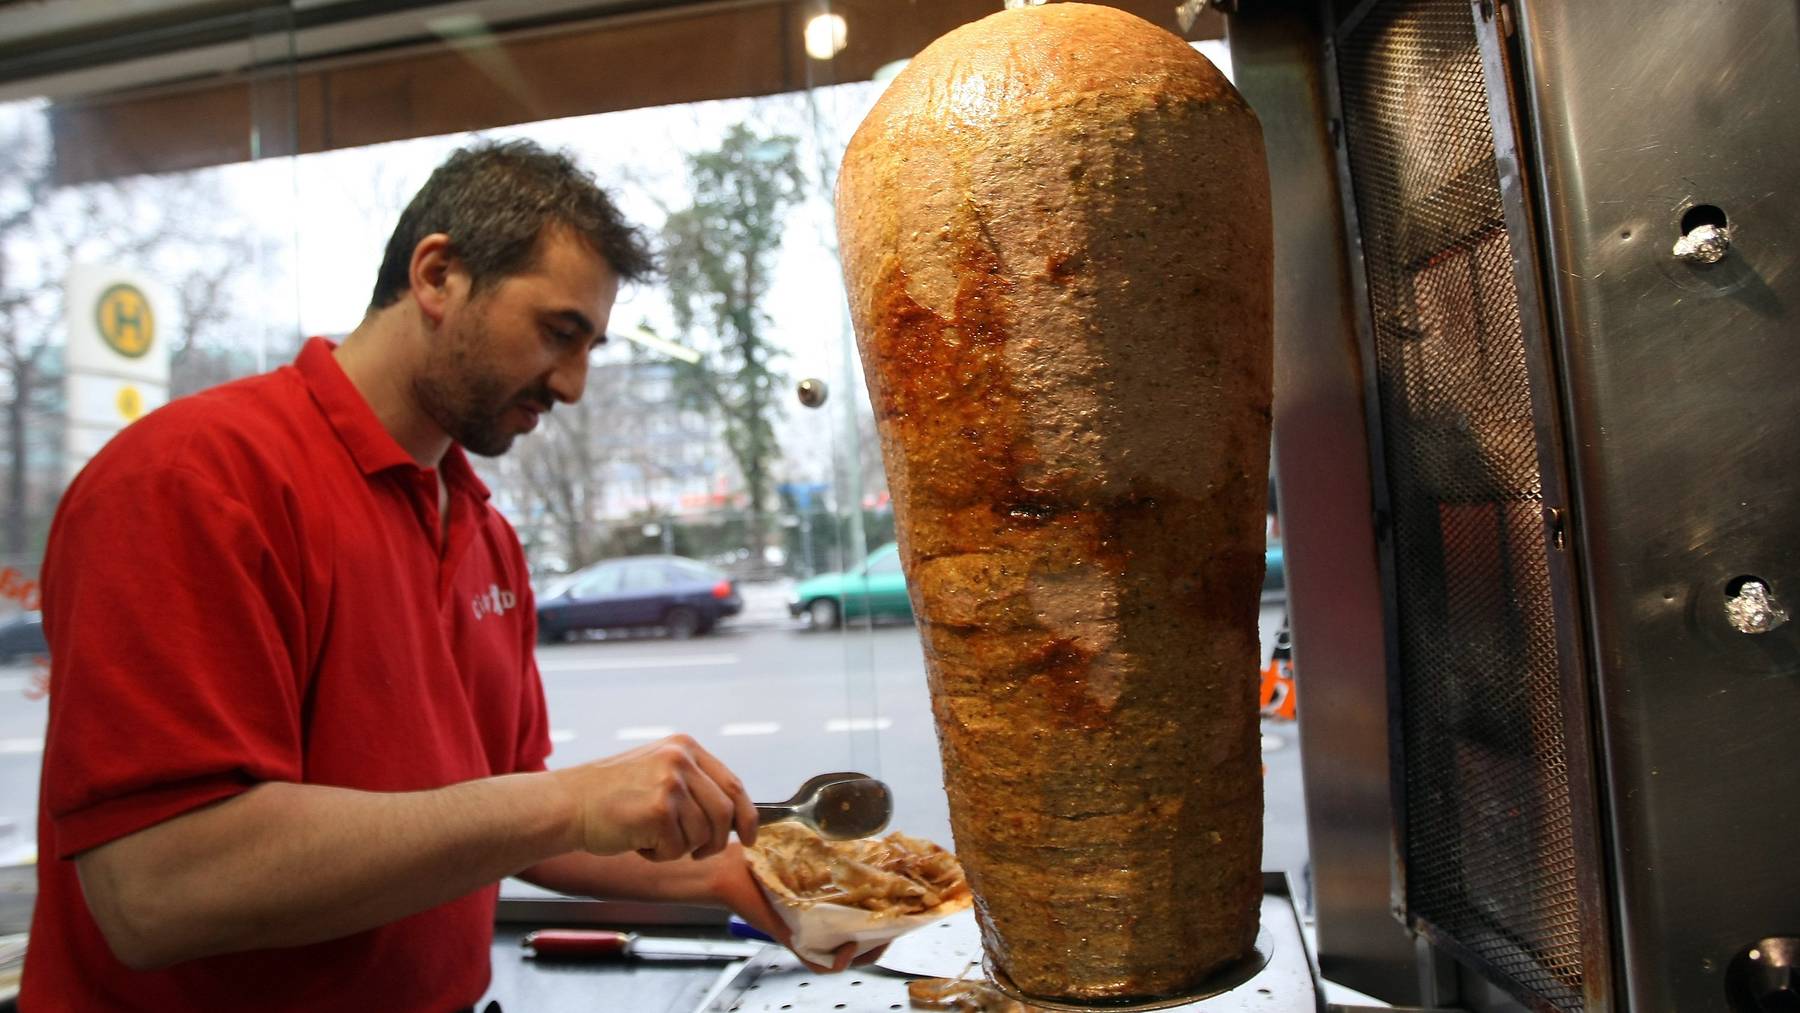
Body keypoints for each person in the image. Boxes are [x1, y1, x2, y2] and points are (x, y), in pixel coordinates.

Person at [21, 140, 849, 1011]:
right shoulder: (194, 479)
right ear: (438, 275)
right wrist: (567, 800)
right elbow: (159, 888)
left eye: (593, 346)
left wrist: (740, 875)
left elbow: (509, 830)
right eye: (559, 332)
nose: (572, 384)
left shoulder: (484, 531)